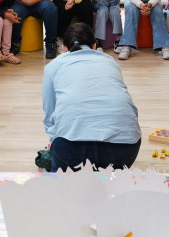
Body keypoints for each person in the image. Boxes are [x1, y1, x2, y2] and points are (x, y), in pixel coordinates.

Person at [42, 23, 141, 172]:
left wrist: (56, 143)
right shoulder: (110, 61)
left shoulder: (53, 66)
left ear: (64, 49)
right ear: (94, 46)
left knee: (61, 183)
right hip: (124, 150)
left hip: (71, 149)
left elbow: (50, 116)